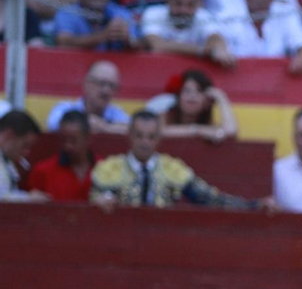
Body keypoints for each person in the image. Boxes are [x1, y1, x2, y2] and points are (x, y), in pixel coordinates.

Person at [90, 109, 268, 209]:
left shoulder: (172, 169)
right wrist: (99, 201)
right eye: (139, 136)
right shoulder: (109, 169)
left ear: (159, 139)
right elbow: (93, 198)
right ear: (129, 136)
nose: (145, 142)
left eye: (151, 137)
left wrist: (253, 205)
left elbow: (212, 200)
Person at [140, 0, 235, 65]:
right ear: (168, 1)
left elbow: (216, 37)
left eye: (190, 4)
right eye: (178, 3)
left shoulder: (203, 16)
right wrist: (206, 51)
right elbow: (157, 45)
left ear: (198, 4)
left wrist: (218, 48)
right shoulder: (153, 13)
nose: (183, 10)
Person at [26, 110, 97, 202]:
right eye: (63, 140)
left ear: (88, 138)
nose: (68, 146)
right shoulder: (42, 171)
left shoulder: (105, 169)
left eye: (73, 140)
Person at [47, 61, 130, 134]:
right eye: (101, 83)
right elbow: (54, 126)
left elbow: (132, 130)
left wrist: (104, 128)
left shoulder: (116, 113)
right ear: (86, 84)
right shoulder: (65, 108)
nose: (106, 91)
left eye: (112, 86)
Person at [159, 68, 239, 141]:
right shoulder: (164, 117)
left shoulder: (209, 124)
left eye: (199, 91)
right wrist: (196, 130)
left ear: (207, 102)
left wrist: (221, 98)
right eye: (187, 91)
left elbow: (231, 132)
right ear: (178, 96)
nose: (192, 96)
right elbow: (158, 133)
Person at [0, 110, 49, 203]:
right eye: (25, 145)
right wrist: (27, 198)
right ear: (9, 135)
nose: (26, 152)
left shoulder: (6, 160)